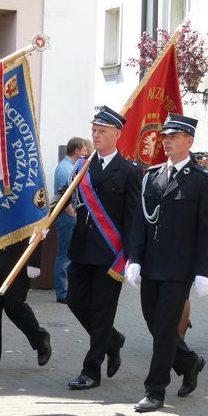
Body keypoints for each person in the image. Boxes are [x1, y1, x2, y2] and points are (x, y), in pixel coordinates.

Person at [126, 113, 208, 412]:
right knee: (155, 325)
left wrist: (204, 272)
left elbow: (207, 229)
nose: (166, 141)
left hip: (180, 267)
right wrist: (134, 259)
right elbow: (140, 221)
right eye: (165, 136)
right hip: (151, 264)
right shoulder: (151, 175)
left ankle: (155, 391)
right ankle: (190, 362)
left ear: (189, 141)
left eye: (173, 137)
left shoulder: (201, 179)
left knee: (165, 328)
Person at [65, 106, 140, 390]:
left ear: (117, 134)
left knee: (101, 311)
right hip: (82, 249)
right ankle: (112, 339)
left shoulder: (130, 171)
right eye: (94, 131)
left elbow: (133, 217)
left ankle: (91, 370)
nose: (96, 135)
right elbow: (68, 198)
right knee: (74, 301)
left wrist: (133, 256)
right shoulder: (82, 165)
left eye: (102, 131)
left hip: (111, 254)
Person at [0, 238, 52, 371]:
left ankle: (40, 338)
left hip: (18, 260)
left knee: (14, 306)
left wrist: (33, 260)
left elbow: (36, 224)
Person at [53, 137, 88, 303]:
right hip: (67, 217)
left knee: (68, 254)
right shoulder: (65, 168)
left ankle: (67, 290)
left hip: (70, 216)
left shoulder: (69, 166)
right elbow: (64, 195)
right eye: (84, 150)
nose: (86, 153)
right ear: (77, 151)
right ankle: (62, 293)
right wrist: (72, 213)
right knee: (64, 255)